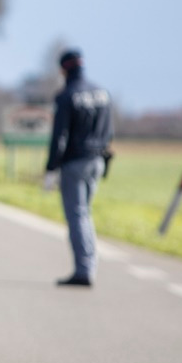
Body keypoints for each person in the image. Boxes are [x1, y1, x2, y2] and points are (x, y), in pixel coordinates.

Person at [44, 48, 113, 287]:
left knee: (77, 215)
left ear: (64, 69)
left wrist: (51, 168)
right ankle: (90, 264)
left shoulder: (67, 95)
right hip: (98, 160)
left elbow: (59, 135)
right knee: (86, 214)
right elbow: (109, 131)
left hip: (75, 162)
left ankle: (84, 270)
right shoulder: (102, 92)